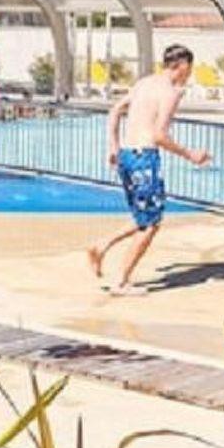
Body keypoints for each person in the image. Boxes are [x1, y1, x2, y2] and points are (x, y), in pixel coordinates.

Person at [88, 44, 210, 296]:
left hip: (126, 155)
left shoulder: (144, 83)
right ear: (182, 66)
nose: (189, 74)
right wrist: (190, 154)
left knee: (143, 215)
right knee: (151, 224)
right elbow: (159, 135)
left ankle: (102, 246)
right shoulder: (170, 92)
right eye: (189, 68)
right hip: (144, 158)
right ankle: (121, 282)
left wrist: (113, 146)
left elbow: (115, 110)